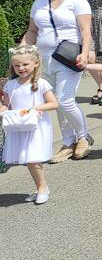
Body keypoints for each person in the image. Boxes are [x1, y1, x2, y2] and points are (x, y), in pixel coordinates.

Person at [22, 0, 93, 162]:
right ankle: (68, 142)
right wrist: (22, 50)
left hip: (68, 58)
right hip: (43, 60)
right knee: (56, 103)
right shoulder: (39, 3)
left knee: (64, 100)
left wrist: (85, 53)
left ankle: (83, 136)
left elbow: (86, 30)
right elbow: (32, 32)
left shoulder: (76, 0)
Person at [1, 45, 59, 204]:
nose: (21, 68)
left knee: (33, 159)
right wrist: (3, 110)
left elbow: (54, 103)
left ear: (35, 63)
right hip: (19, 126)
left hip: (36, 126)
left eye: (25, 64)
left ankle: (42, 188)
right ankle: (40, 186)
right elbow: (6, 105)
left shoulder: (41, 83)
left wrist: (34, 108)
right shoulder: (10, 85)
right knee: (28, 159)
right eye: (17, 65)